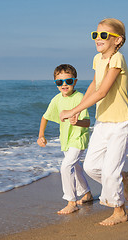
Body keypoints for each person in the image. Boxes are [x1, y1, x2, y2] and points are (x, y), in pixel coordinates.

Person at [59, 18, 128, 225]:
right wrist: (79, 112)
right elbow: (94, 84)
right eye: (95, 34)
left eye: (104, 35)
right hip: (103, 122)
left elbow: (103, 91)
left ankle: (119, 212)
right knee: (92, 167)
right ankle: (124, 178)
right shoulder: (97, 59)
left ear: (117, 40)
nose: (98, 38)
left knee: (110, 171)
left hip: (120, 122)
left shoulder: (117, 59)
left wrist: (72, 109)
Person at [37, 64, 93, 214]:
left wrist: (77, 122)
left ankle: (71, 202)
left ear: (75, 81)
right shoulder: (56, 99)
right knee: (76, 167)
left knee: (66, 167)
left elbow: (87, 123)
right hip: (66, 141)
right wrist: (41, 135)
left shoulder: (81, 98)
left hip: (79, 139)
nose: (64, 85)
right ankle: (87, 193)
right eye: (59, 82)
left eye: (68, 81)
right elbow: (45, 117)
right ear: (55, 83)